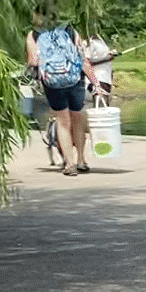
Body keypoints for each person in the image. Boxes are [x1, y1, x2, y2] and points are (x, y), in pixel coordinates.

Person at [25, 11, 101, 177]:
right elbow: (82, 58)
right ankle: (81, 160)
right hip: (75, 79)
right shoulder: (69, 30)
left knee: (62, 120)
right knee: (78, 117)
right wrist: (95, 82)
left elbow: (33, 61)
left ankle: (69, 164)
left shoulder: (34, 35)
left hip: (53, 82)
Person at [83, 34, 118, 100]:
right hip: (98, 80)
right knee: (99, 104)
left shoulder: (101, 41)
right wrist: (106, 58)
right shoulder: (91, 43)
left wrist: (109, 57)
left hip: (106, 80)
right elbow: (86, 63)